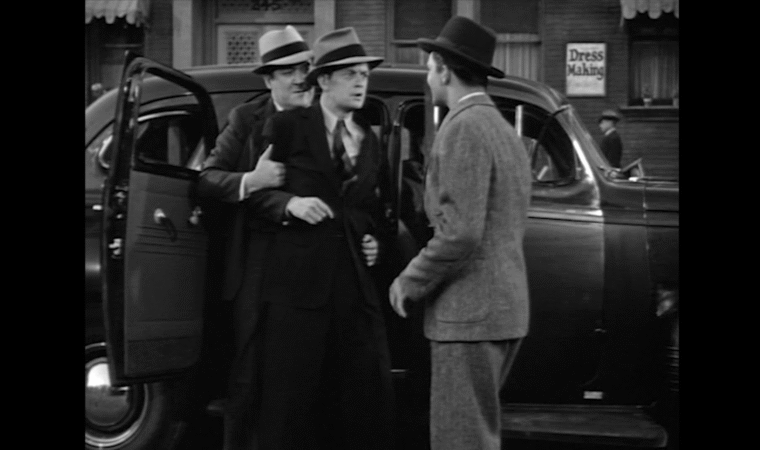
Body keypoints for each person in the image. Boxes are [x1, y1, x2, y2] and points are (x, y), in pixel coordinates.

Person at [246, 27, 395, 450]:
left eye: (364, 75)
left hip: (352, 292)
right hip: (297, 293)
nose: (361, 83)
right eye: (350, 74)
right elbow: (256, 196)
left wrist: (375, 241)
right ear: (324, 80)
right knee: (291, 406)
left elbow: (373, 210)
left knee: (355, 403)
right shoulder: (287, 126)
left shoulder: (369, 140)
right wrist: (289, 204)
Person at [388, 16, 532, 450]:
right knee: (477, 436)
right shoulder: (501, 128)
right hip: (500, 310)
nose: (428, 77)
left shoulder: (463, 127)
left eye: (429, 68)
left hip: (469, 317)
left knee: (460, 440)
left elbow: (461, 233)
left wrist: (409, 279)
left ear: (444, 69)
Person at [195, 25, 314, 450]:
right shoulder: (246, 119)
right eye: (287, 72)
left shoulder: (325, 115)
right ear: (268, 81)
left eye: (304, 68)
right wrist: (252, 179)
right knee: (249, 373)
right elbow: (207, 179)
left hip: (312, 266)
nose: (299, 78)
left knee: (304, 374)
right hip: (257, 266)